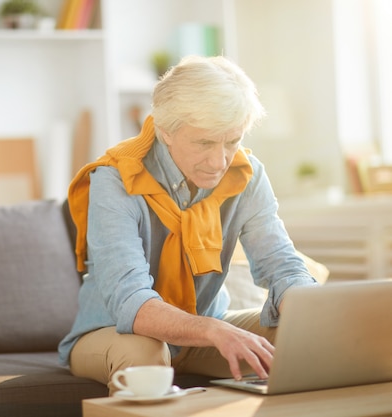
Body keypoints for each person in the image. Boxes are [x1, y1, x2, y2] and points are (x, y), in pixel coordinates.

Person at [58, 55, 318, 395]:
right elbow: (130, 301)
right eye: (204, 143)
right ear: (165, 130)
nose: (220, 161)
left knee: (301, 337)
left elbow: (281, 263)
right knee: (145, 350)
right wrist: (213, 331)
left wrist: (308, 307)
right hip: (116, 332)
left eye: (232, 141)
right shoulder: (116, 180)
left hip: (205, 332)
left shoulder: (246, 174)